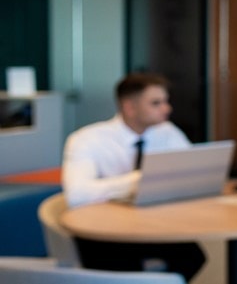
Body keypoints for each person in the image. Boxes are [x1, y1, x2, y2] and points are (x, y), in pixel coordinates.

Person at [61, 73, 206, 281]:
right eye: (156, 103)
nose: (167, 109)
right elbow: (77, 195)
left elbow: (191, 172)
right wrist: (138, 180)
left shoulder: (167, 132)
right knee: (126, 271)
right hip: (101, 232)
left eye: (166, 101)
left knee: (192, 257)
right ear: (129, 108)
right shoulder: (86, 140)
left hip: (153, 226)